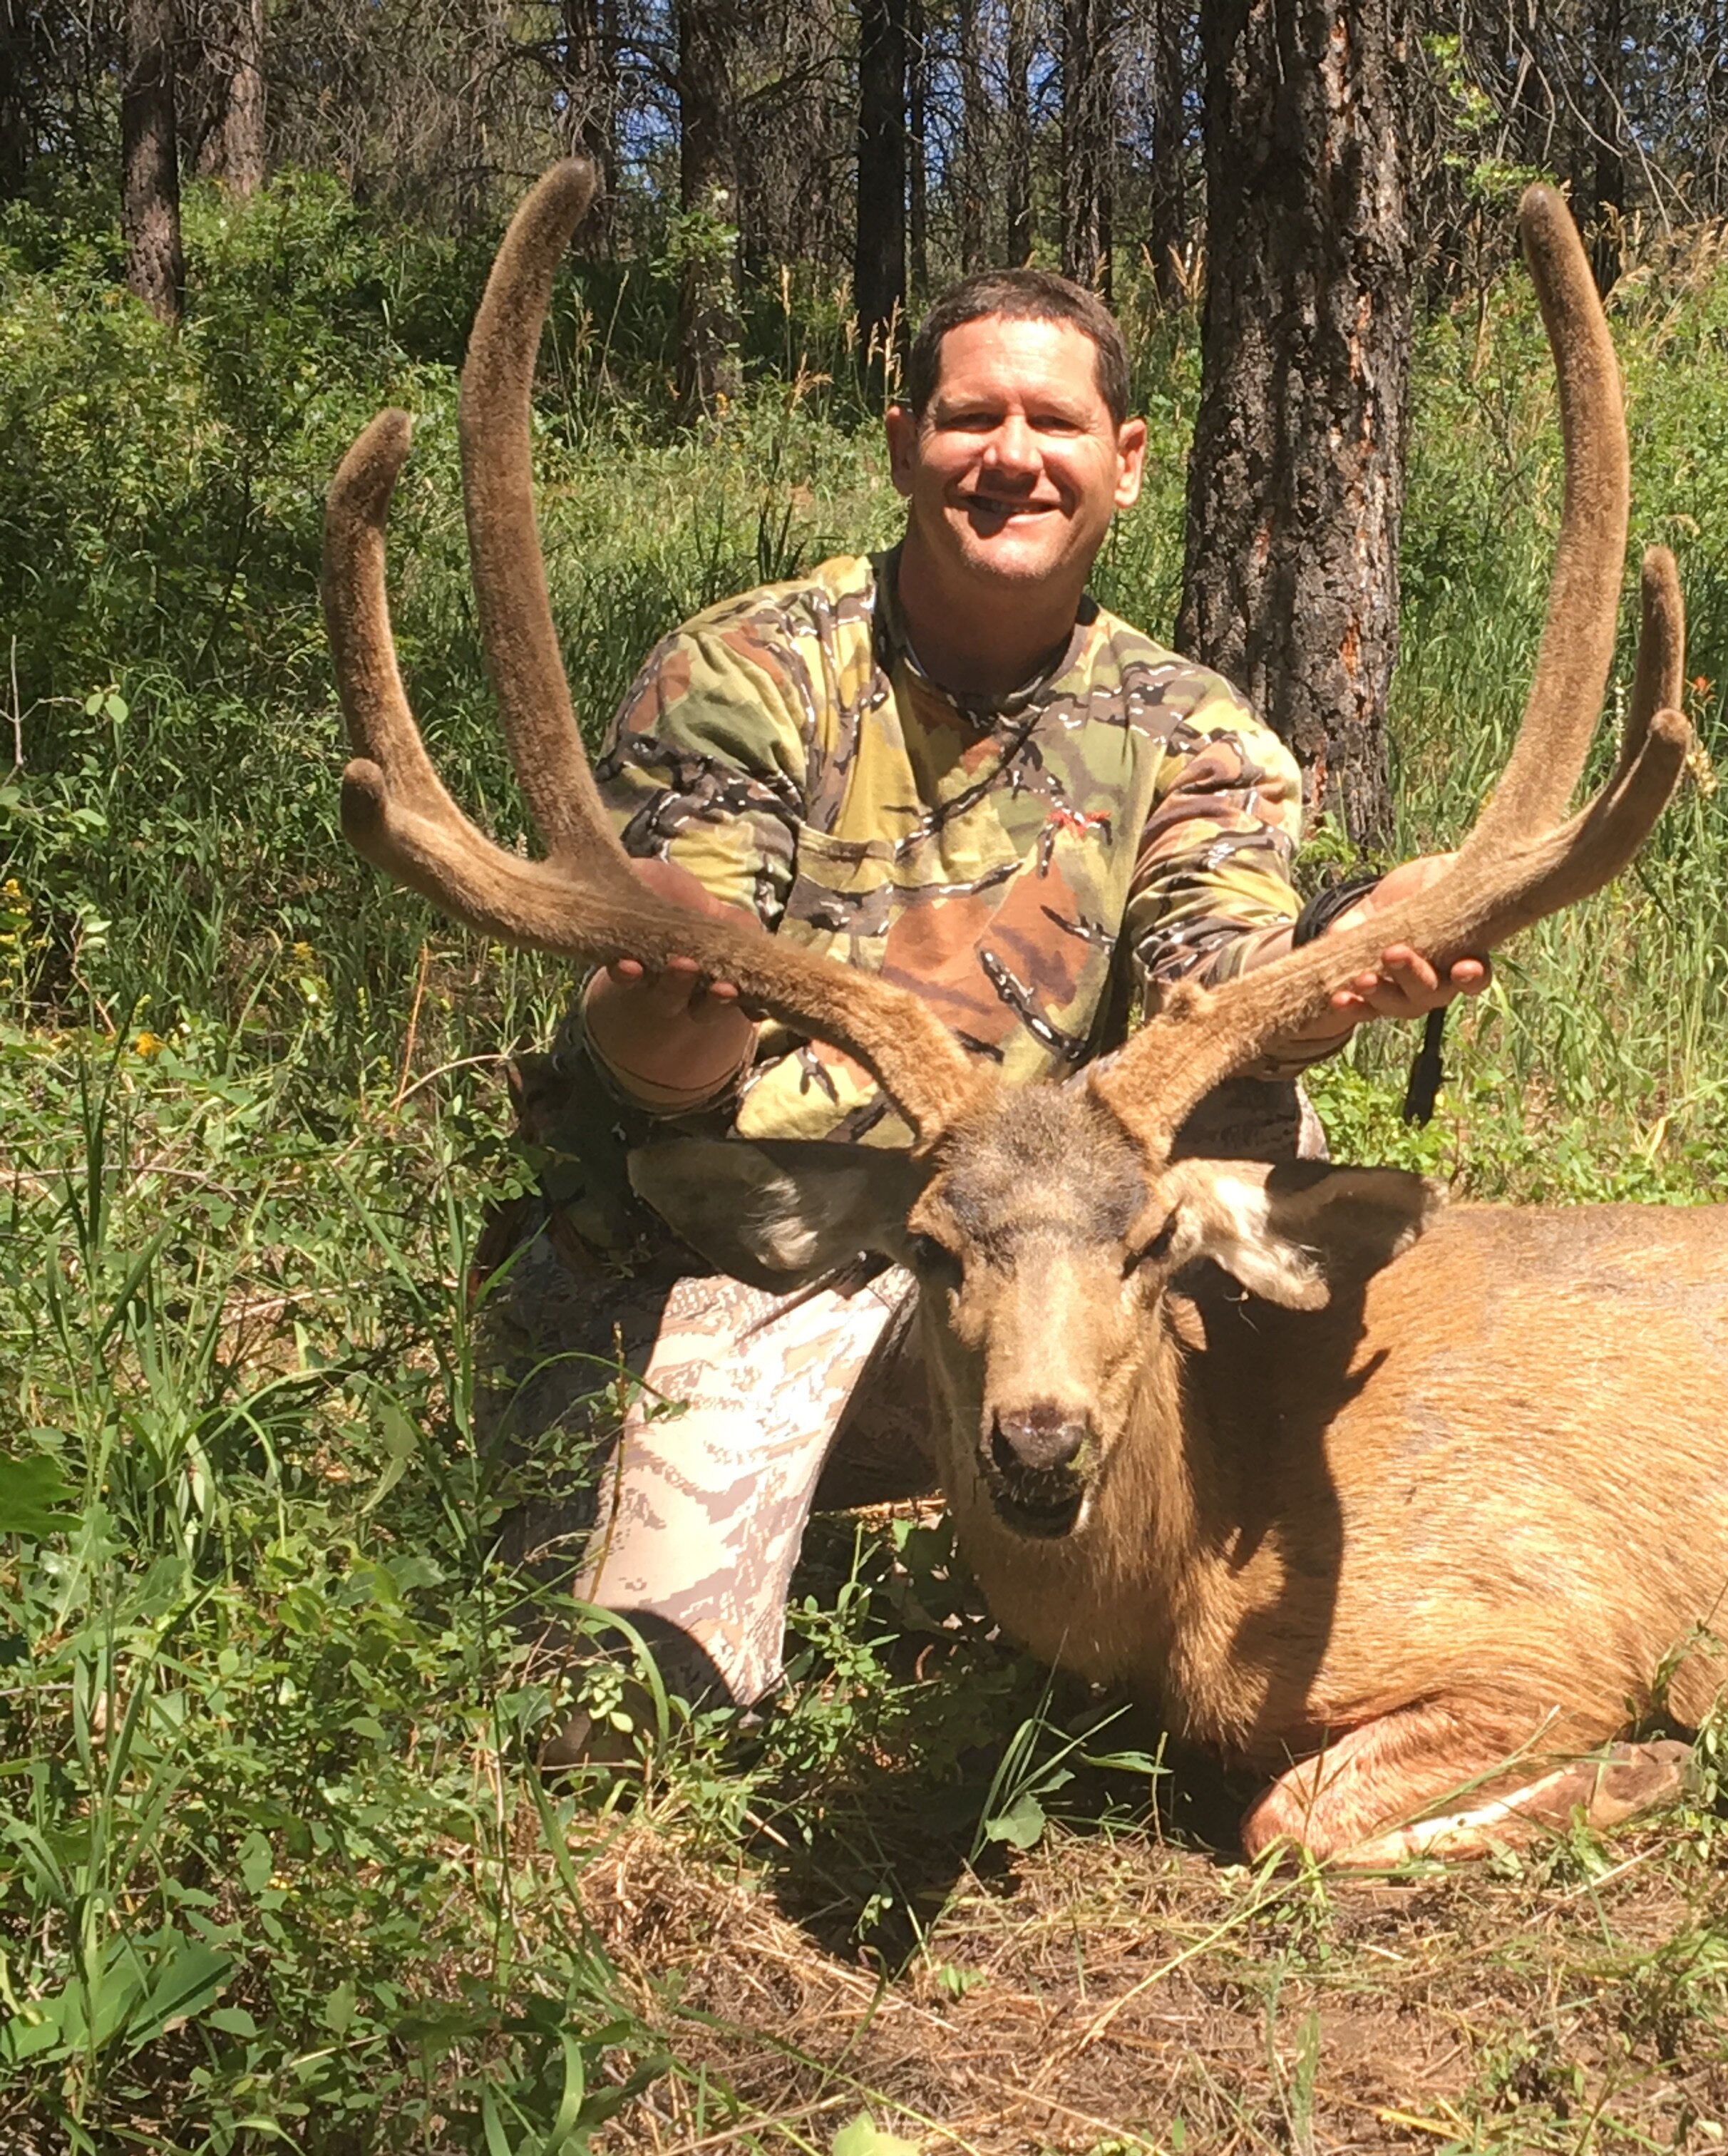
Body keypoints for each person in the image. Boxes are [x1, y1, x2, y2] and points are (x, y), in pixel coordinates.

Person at [491, 267, 1480, 1753]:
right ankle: (858, 1542)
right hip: (739, 1247)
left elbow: (1216, 975)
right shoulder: (748, 674)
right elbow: (654, 1074)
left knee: (1261, 1123)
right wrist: (674, 1000)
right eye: (970, 418)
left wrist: (1338, 972)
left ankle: (1065, 1551)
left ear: (1126, 462)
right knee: (611, 1724)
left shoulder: (1190, 724)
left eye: (1054, 420)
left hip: (1030, 1264)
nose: (1012, 454)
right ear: (905, 446)